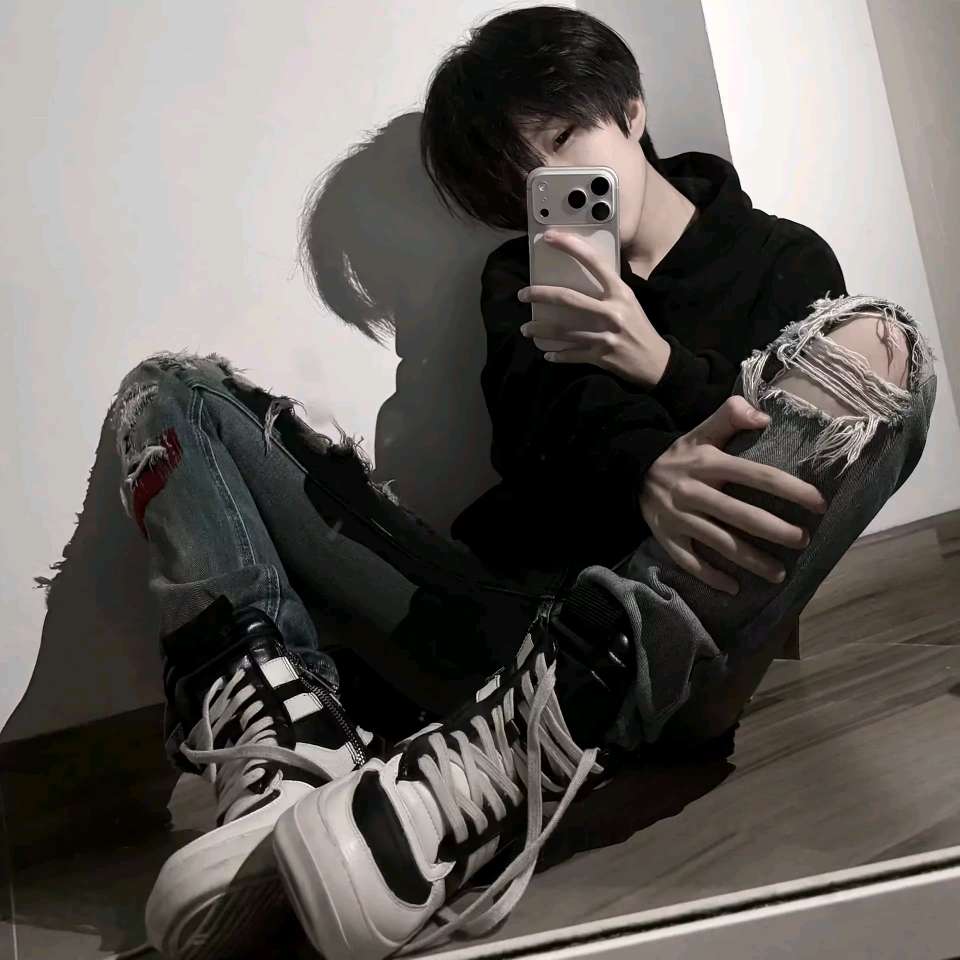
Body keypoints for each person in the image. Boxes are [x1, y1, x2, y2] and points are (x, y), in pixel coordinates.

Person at [107, 7, 938, 959]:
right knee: (173, 393)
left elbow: (781, 452)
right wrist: (646, 468)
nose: (550, 186)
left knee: (882, 349)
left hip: (667, 653)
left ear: (630, 110)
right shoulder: (522, 275)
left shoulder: (782, 261)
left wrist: (662, 363)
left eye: (563, 142)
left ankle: (529, 727)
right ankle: (285, 757)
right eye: (521, 179)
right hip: (495, 617)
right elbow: (540, 432)